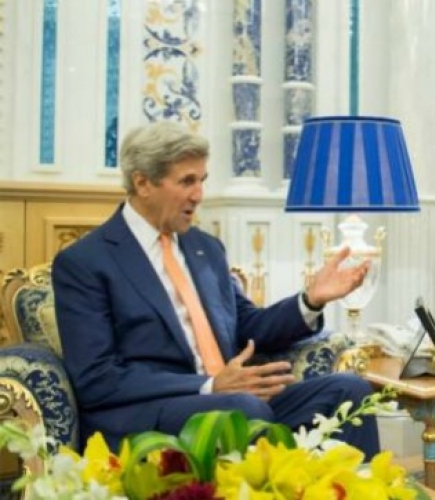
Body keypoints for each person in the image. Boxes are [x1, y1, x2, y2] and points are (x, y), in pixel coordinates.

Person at [53, 121, 380, 457]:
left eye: (201, 180)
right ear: (142, 183)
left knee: (350, 390)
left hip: (231, 401)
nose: (198, 194)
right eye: (186, 181)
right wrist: (209, 385)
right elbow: (97, 379)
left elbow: (250, 327)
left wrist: (310, 300)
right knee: (243, 411)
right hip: (150, 414)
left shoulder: (205, 248)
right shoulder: (86, 262)